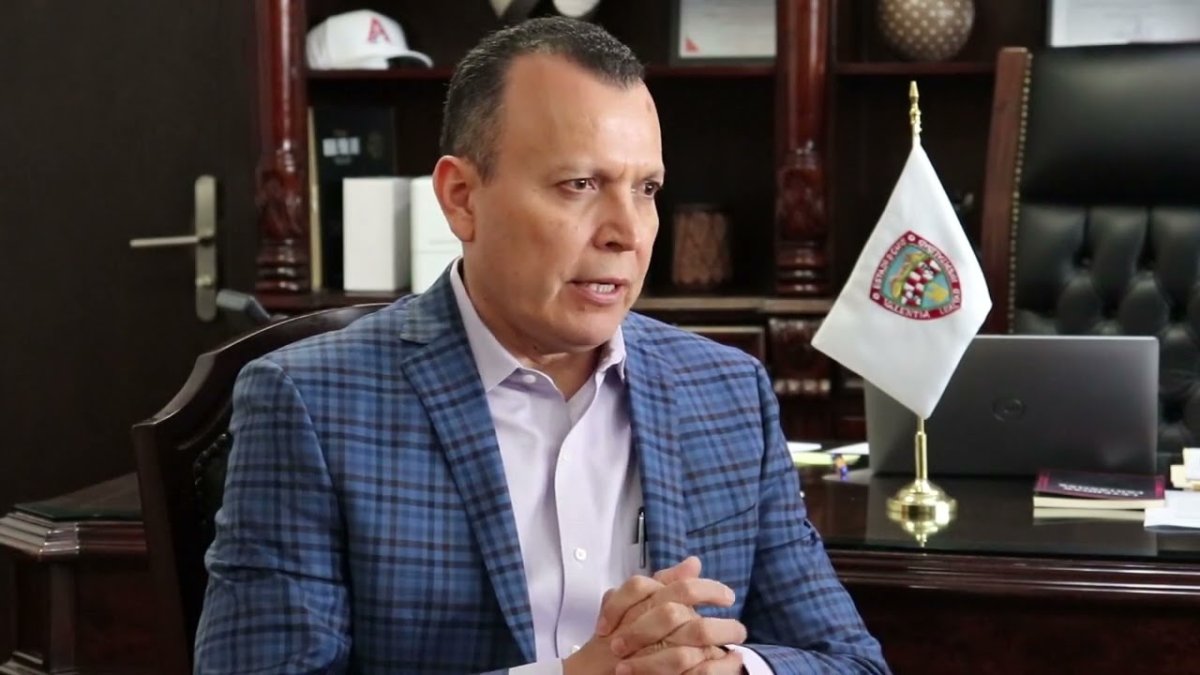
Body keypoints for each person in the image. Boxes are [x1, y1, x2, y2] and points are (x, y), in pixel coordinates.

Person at [194, 16, 888, 675]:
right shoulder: (311, 403)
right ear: (461, 197)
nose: (627, 232)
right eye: (580, 184)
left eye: (646, 188)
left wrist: (729, 668)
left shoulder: (726, 391)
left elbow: (849, 660)